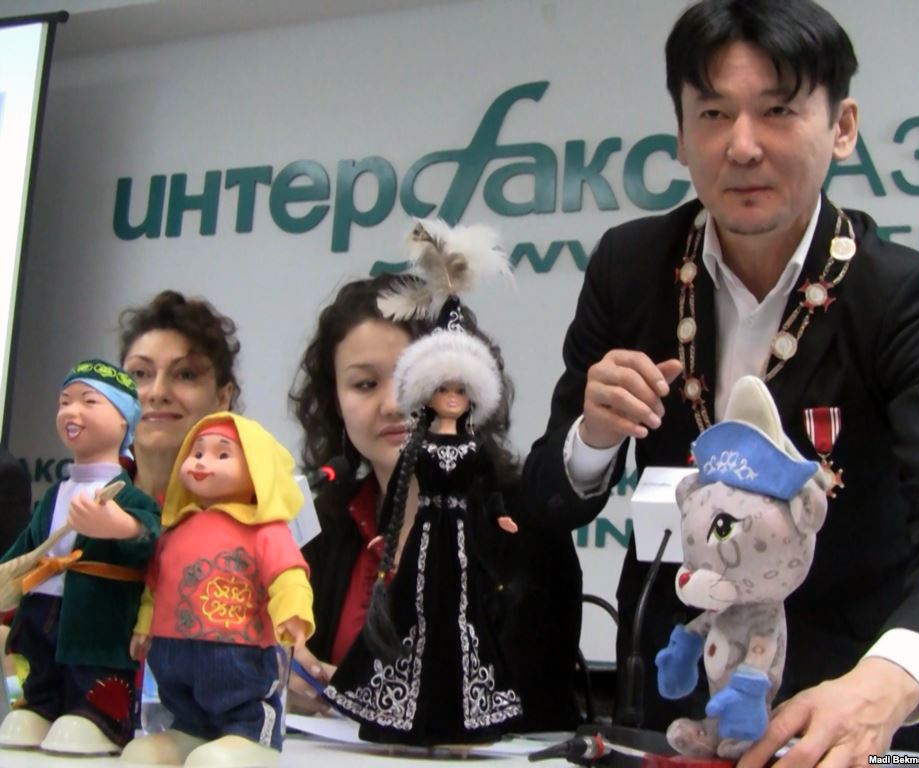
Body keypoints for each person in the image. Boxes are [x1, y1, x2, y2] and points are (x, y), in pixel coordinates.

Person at [522, 0, 919, 763]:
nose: (743, 146)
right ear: (681, 134)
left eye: (778, 111)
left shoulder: (898, 295)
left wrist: (890, 682)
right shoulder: (630, 268)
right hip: (674, 695)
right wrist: (592, 438)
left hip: (844, 710)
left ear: (842, 126)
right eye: (714, 114)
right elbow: (543, 504)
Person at [289, 272, 582, 732]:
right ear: (335, 402)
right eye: (364, 384)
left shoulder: (526, 520)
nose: (393, 404)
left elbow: (542, 702)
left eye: (414, 378)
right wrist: (285, 671)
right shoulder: (320, 525)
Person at [124, 413, 313, 767]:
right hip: (173, 648)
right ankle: (189, 731)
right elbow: (155, 585)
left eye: (222, 454)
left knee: (242, 696)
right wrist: (144, 625)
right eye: (196, 453)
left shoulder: (264, 530)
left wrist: (293, 610)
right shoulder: (176, 529)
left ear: (258, 467)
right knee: (180, 697)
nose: (201, 462)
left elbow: (288, 573)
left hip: (239, 647)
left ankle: (252, 737)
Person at [0, 360, 160, 754]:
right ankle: (39, 706)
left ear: (123, 420)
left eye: (89, 401)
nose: (72, 412)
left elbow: (152, 537)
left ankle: (99, 719)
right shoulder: (56, 493)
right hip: (44, 601)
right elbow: (28, 544)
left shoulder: (129, 495)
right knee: (40, 661)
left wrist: (123, 526)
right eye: (64, 402)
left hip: (97, 609)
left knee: (91, 666)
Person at [118, 290, 241, 502]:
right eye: (140, 373)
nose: (158, 393)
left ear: (222, 398)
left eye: (185, 374)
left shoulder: (260, 512)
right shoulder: (81, 501)